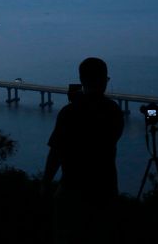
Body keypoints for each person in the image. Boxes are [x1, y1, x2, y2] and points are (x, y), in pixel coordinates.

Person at [43, 57, 125, 244]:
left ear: (81, 80)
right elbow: (112, 138)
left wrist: (45, 182)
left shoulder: (69, 112)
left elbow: (55, 152)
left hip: (72, 190)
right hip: (105, 189)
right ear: (105, 80)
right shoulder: (113, 110)